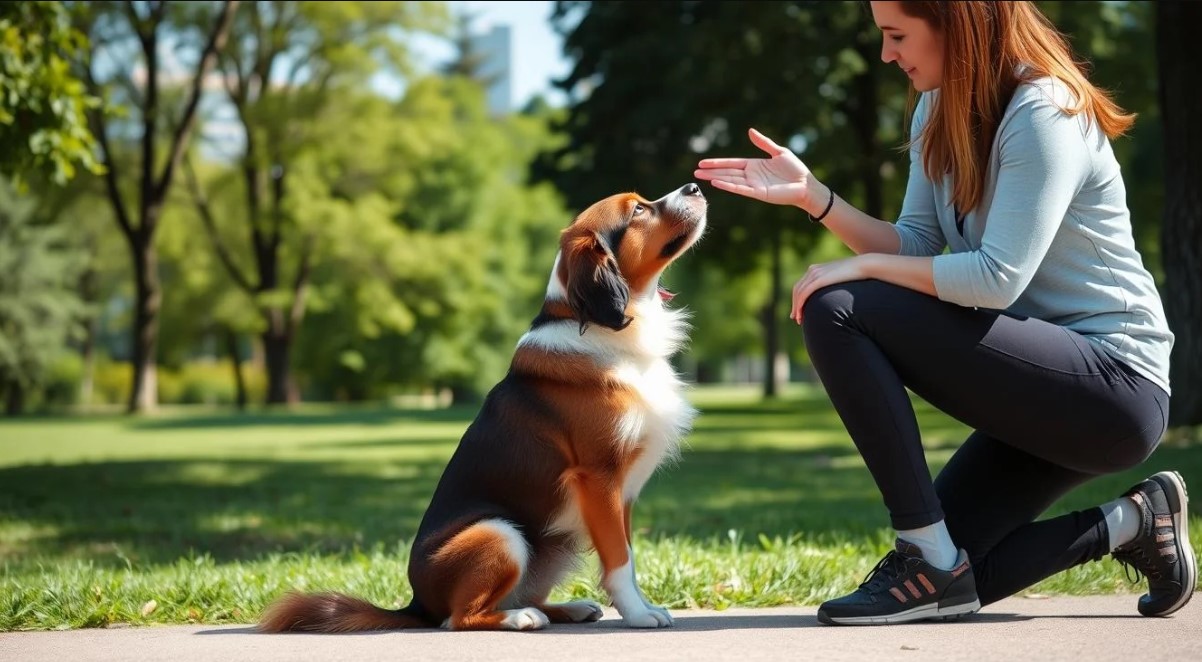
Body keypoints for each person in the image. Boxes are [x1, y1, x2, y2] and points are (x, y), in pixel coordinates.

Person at [694, 0, 1193, 626]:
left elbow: (995, 278)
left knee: (837, 307)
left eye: (897, 34)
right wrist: (815, 199)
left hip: (1115, 386)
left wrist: (862, 271)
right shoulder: (939, 106)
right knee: (952, 578)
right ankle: (1136, 521)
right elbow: (918, 245)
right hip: (1039, 388)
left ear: (957, 25)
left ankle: (924, 551)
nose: (886, 54)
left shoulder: (1045, 111)